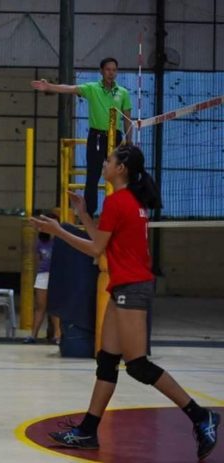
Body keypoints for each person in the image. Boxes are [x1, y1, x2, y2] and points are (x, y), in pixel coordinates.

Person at [30, 145, 219, 461]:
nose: (104, 164)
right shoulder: (127, 201)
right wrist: (84, 216)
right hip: (125, 287)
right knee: (106, 360)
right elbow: (102, 244)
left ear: (121, 169)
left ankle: (201, 416)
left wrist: (58, 230)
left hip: (131, 288)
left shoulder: (119, 201)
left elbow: (93, 250)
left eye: (109, 160)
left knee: (138, 365)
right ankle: (88, 430)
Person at [31, 57, 132, 216]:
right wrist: (49, 86)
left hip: (116, 138)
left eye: (114, 70)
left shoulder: (123, 93)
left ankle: (120, 212)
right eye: (108, 69)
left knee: (119, 175)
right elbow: (69, 89)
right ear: (101, 71)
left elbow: (127, 118)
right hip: (96, 137)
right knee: (92, 176)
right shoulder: (92, 88)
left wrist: (129, 143)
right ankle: (89, 215)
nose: (111, 73)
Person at [24, 213, 62, 344]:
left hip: (57, 275)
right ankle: (33, 335)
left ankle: (58, 335)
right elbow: (38, 260)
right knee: (40, 306)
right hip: (43, 275)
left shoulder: (61, 239)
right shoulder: (41, 241)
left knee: (55, 306)